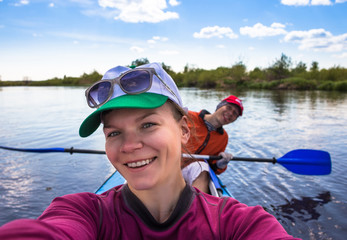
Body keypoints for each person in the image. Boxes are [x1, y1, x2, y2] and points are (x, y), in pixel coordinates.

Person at [0, 62, 300, 239]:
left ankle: (205, 200)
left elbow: (216, 169)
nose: (129, 146)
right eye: (114, 133)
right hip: (178, 162)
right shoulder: (83, 212)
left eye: (147, 125)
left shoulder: (243, 224)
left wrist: (220, 163)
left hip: (191, 167)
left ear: (183, 130)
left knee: (201, 168)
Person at [182, 95, 243, 193]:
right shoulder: (188, 116)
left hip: (187, 172)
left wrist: (220, 164)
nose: (231, 113)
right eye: (229, 107)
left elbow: (213, 167)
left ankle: (194, 204)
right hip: (167, 163)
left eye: (235, 113)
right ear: (220, 106)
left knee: (203, 167)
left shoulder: (223, 138)